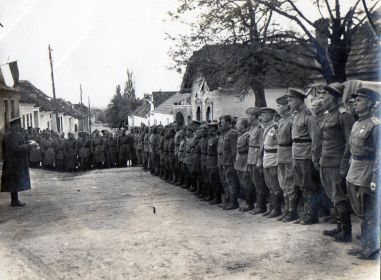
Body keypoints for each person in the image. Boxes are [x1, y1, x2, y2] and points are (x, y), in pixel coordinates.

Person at [346, 87, 380, 260]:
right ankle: (365, 244)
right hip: (355, 168)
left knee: (369, 210)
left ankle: (372, 247)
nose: (355, 103)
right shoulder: (356, 122)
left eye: (359, 100)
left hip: (367, 169)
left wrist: (375, 177)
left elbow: (379, 154)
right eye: (355, 100)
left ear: (370, 103)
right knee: (359, 210)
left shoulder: (376, 125)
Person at [318, 83, 355, 243]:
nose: (321, 100)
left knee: (339, 197)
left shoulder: (344, 115)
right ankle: (339, 228)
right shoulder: (328, 115)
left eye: (324, 96)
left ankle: (346, 232)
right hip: (325, 162)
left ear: (333, 98)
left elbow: (349, 142)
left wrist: (344, 165)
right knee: (332, 196)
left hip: (336, 163)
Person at [288, 88, 322, 225]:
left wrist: (315, 158)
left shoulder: (309, 116)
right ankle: (307, 214)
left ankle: (312, 215)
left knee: (309, 186)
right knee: (302, 186)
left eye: (291, 100)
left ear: (298, 100)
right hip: (297, 155)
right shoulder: (296, 116)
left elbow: (316, 139)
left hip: (306, 155)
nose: (289, 103)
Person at [1, 117, 38, 206]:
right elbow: (16, 149)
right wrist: (29, 145)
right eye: (19, 124)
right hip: (14, 162)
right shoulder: (13, 135)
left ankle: (15, 200)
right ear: (15, 125)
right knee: (15, 181)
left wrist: (26, 142)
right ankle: (14, 201)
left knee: (15, 181)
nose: (20, 126)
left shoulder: (10, 134)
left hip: (13, 161)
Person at [260, 107, 282, 218]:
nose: (262, 116)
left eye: (264, 114)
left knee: (275, 184)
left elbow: (280, 143)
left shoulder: (276, 127)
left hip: (274, 157)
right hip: (267, 157)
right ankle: (271, 208)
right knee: (270, 185)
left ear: (270, 115)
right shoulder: (266, 128)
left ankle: (276, 209)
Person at [246, 107, 267, 215]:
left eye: (249, 115)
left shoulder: (260, 128)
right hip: (251, 158)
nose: (248, 117)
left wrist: (260, 160)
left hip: (256, 159)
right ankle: (254, 205)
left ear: (255, 116)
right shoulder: (252, 127)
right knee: (253, 183)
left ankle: (261, 206)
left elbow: (262, 145)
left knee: (259, 184)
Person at [234, 117, 254, 212]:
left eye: (238, 124)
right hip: (240, 161)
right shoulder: (240, 135)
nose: (236, 126)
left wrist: (243, 150)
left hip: (246, 161)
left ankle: (249, 204)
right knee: (243, 184)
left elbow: (251, 148)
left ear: (243, 125)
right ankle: (246, 203)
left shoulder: (248, 136)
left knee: (247, 184)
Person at [221, 115, 239, 210]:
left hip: (230, 162)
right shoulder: (226, 133)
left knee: (231, 182)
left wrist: (234, 162)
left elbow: (234, 150)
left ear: (228, 123)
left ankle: (234, 202)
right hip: (225, 161)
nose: (221, 124)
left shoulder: (232, 133)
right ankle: (229, 201)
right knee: (227, 181)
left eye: (223, 122)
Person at [206, 121, 222, 204]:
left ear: (215, 128)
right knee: (210, 179)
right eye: (209, 127)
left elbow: (218, 151)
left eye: (212, 127)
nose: (210, 129)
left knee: (214, 179)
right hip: (209, 159)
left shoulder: (217, 138)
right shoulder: (211, 138)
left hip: (214, 159)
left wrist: (218, 162)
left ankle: (217, 198)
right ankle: (211, 196)